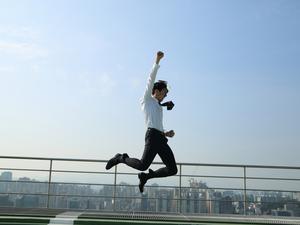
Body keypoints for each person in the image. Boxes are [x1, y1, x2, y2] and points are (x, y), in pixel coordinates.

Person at [105, 51, 178, 193]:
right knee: (142, 164)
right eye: (163, 92)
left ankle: (146, 177)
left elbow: (155, 122)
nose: (164, 95)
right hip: (152, 136)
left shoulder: (157, 106)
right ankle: (120, 158)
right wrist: (157, 61)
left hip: (160, 138)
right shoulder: (147, 100)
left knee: (172, 169)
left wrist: (166, 133)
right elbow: (150, 79)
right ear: (155, 91)